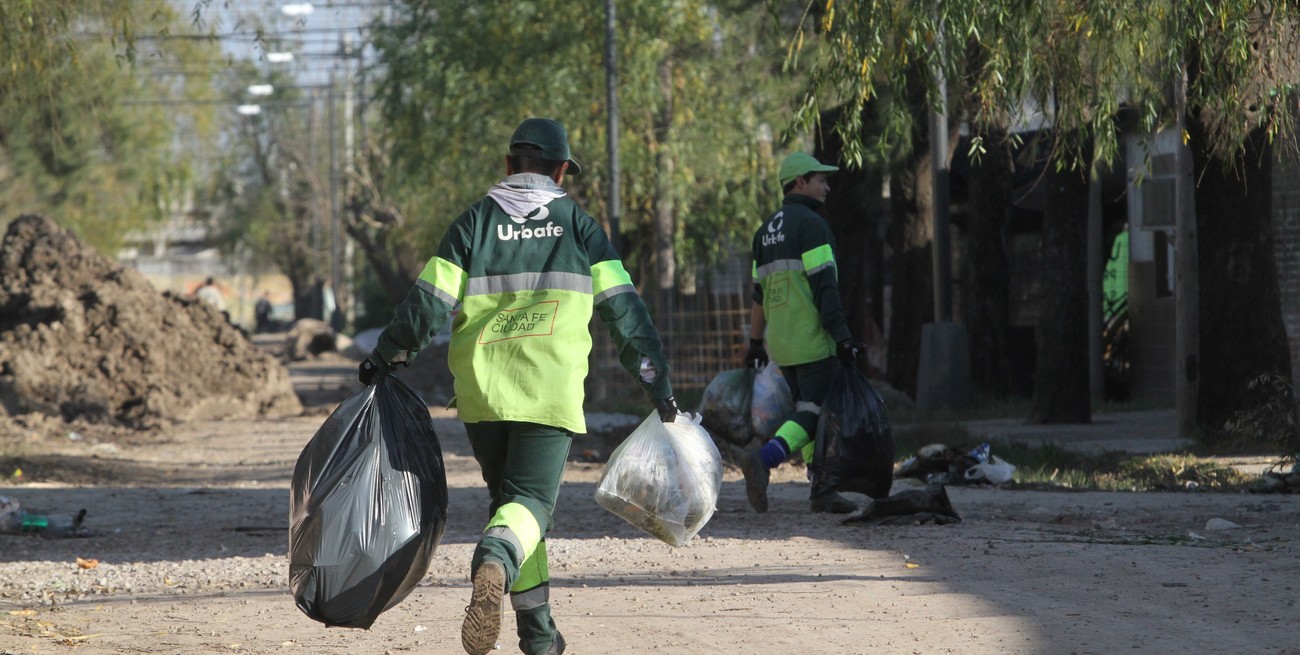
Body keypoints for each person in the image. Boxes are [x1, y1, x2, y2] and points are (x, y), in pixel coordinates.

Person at [358, 117, 679, 655]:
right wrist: (656, 381)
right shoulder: (579, 226)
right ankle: (492, 564)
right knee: (529, 506)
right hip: (547, 388)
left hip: (483, 394)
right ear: (560, 171)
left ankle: (539, 636)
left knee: (515, 509)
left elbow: (426, 305)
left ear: (509, 166)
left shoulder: (473, 223)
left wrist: (386, 356)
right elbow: (624, 311)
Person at [738, 152, 866, 515]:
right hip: (812, 338)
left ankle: (821, 490)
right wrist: (842, 336)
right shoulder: (812, 226)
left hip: (782, 343)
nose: (826, 186)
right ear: (799, 183)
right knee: (816, 411)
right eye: (820, 179)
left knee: (807, 410)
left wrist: (755, 343)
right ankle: (764, 459)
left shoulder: (764, 232)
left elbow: (758, 295)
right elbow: (826, 287)